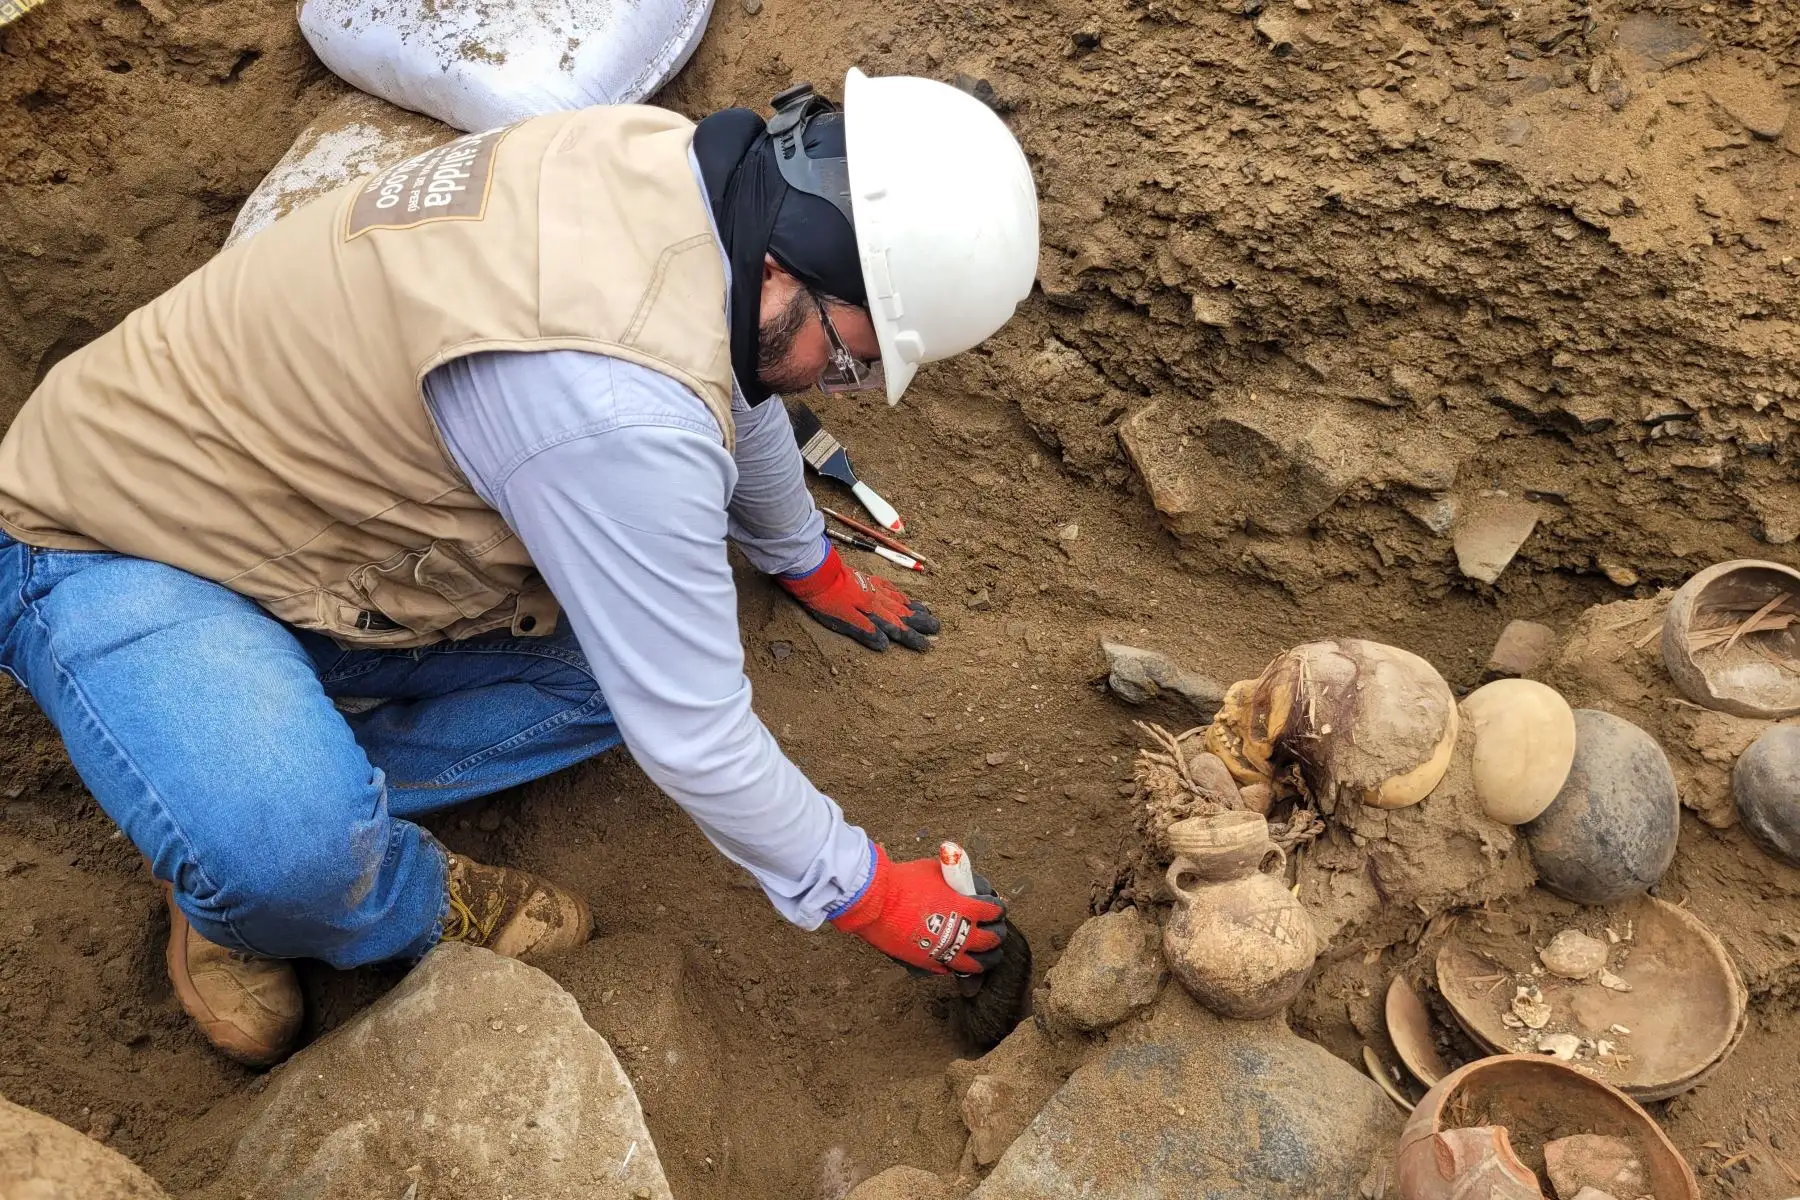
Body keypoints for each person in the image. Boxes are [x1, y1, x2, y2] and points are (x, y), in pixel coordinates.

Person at [0, 70, 1039, 1065]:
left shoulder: (669, 167)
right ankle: (291, 865)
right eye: (852, 360)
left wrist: (803, 557)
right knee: (295, 858)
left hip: (306, 509)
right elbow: (696, 731)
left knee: (609, 678)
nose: (843, 388)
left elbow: (743, 382)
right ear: (785, 264)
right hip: (112, 535)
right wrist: (868, 892)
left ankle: (249, 764)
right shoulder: (614, 400)